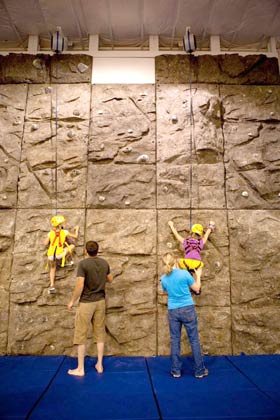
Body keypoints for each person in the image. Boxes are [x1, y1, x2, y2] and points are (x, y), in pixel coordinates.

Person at [67, 240, 113, 377]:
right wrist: (99, 280)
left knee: (80, 333)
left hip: (87, 302)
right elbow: (110, 279)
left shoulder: (83, 264)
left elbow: (80, 284)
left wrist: (71, 301)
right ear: (97, 250)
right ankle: (99, 364)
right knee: (99, 332)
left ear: (86, 251)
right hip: (100, 301)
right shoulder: (105, 263)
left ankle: (80, 369)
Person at [161, 253, 208, 379]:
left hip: (173, 311)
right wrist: (198, 276)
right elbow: (197, 289)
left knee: (175, 340)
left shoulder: (163, 278)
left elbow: (166, 290)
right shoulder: (184, 274)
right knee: (194, 339)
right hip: (187, 309)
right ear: (176, 261)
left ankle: (176, 371)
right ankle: (200, 371)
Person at [168, 220, 215, 288]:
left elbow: (176, 234)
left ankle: (180, 278)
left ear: (191, 232)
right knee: (196, 275)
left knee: (176, 261)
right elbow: (207, 234)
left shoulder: (185, 241)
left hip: (186, 263)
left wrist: (171, 225)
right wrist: (211, 225)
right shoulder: (201, 242)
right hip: (197, 264)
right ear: (200, 234)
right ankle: (196, 287)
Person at [45, 215, 79, 294]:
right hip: (59, 254)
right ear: (60, 225)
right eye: (64, 223)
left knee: (52, 268)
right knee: (72, 246)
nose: (65, 224)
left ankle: (52, 286)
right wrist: (76, 229)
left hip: (50, 255)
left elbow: (45, 243)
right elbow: (75, 237)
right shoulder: (65, 232)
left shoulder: (50, 233)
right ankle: (65, 261)